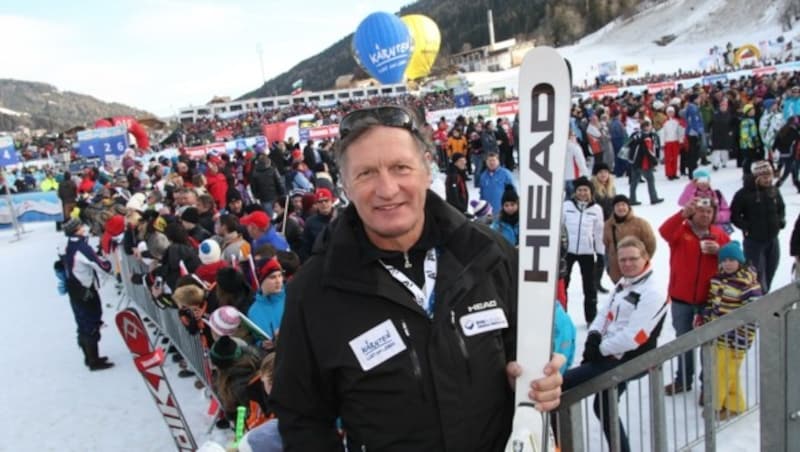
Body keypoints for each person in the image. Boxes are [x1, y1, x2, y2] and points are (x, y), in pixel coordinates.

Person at [271, 106, 564, 451]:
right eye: (366, 174)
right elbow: (301, 420)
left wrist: (537, 381)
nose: (387, 188)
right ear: (346, 185)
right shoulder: (315, 290)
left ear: (426, 170)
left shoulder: (488, 253)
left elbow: (526, 354)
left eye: (401, 168)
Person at [558, 236, 667, 452]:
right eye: (622, 259)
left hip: (629, 359)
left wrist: (599, 350)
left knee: (561, 387)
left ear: (645, 258)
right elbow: (604, 313)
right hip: (608, 353)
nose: (626, 264)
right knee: (604, 407)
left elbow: (635, 337)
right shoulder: (624, 282)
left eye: (632, 259)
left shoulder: (653, 292)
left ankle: (560, 445)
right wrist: (593, 336)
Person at [659, 197, 730, 396]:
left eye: (709, 212)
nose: (705, 215)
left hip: (708, 301)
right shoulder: (681, 230)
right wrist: (681, 214)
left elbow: (735, 258)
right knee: (684, 341)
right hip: (681, 298)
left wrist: (721, 252)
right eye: (701, 211)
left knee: (708, 342)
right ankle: (682, 379)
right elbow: (664, 232)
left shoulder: (719, 234)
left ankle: (706, 384)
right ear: (693, 213)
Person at [697, 240, 762, 419]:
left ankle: (715, 407)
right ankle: (735, 406)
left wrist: (741, 336)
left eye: (732, 260)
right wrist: (706, 318)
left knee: (722, 374)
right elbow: (712, 302)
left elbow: (754, 313)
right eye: (724, 260)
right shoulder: (717, 280)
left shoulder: (748, 284)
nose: (727, 264)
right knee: (728, 372)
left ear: (740, 261)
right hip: (718, 336)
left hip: (736, 339)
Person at [58, 218, 114, 370]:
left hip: (74, 289)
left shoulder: (67, 245)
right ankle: (93, 360)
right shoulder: (81, 247)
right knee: (91, 321)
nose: (84, 228)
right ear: (77, 230)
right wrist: (110, 265)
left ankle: (89, 358)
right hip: (85, 289)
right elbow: (100, 265)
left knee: (82, 322)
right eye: (80, 226)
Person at [730, 161, 786, 292]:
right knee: (757, 275)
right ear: (756, 177)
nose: (768, 179)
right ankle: (760, 300)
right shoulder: (743, 194)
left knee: (770, 270)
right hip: (754, 242)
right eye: (764, 177)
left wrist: (780, 220)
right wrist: (747, 227)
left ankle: (766, 295)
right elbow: (734, 215)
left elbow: (781, 208)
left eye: (769, 176)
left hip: (772, 239)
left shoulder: (774, 190)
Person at [562, 176, 605, 324]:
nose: (582, 193)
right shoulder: (566, 206)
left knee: (589, 287)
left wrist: (600, 253)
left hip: (587, 252)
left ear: (591, 192)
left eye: (585, 190)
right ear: (575, 192)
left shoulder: (596, 209)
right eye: (579, 190)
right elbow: (559, 228)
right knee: (563, 284)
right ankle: (562, 316)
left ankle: (591, 318)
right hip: (568, 252)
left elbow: (599, 232)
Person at [603, 195, 656, 284]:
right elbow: (606, 244)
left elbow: (651, 245)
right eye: (617, 205)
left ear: (628, 207)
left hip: (637, 268)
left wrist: (641, 260)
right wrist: (609, 266)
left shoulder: (641, 223)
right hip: (616, 268)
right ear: (613, 208)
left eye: (623, 205)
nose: (621, 208)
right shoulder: (608, 224)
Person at [678, 169, 733, 233]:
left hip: (717, 231)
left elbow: (727, 211)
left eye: (705, 180)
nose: (703, 183)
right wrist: (690, 186)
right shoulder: (692, 195)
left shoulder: (717, 194)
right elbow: (681, 202)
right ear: (695, 182)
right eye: (700, 181)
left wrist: (716, 217)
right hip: (697, 231)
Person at [248, 257, 285, 349]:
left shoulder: (291, 297)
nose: (278, 281)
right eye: (273, 277)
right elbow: (254, 340)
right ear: (262, 280)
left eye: (280, 275)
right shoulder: (253, 311)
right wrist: (261, 344)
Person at [626, 119, 664, 206]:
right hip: (644, 163)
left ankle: (632, 199)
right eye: (650, 126)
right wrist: (654, 161)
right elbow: (649, 151)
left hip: (634, 162)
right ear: (646, 127)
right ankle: (653, 198)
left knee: (634, 182)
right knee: (650, 180)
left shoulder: (635, 135)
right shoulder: (647, 137)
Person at [298, 188, 336, 262]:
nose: (323, 204)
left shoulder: (341, 217)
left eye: (326, 200)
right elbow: (305, 247)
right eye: (320, 201)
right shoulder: (310, 222)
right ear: (316, 204)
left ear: (331, 201)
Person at [707, 98, 738, 171]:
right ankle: (715, 164)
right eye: (722, 106)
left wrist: (732, 131)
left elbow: (734, 125)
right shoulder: (715, 114)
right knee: (716, 151)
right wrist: (709, 131)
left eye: (725, 106)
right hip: (716, 135)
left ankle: (724, 162)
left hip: (726, 135)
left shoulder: (730, 115)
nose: (723, 107)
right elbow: (710, 124)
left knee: (725, 150)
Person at [660, 105, 685, 179]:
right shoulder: (665, 122)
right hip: (667, 142)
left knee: (675, 158)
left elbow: (680, 132)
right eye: (669, 112)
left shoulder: (677, 121)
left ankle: (674, 173)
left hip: (675, 141)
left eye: (672, 112)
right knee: (668, 159)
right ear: (667, 113)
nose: (671, 113)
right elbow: (662, 133)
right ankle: (669, 173)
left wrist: (681, 140)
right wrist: (662, 143)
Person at [739, 104, 762, 175]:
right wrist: (751, 140)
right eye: (752, 110)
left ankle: (748, 172)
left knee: (750, 158)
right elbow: (744, 134)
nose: (753, 111)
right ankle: (746, 173)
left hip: (752, 143)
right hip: (747, 144)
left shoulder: (752, 119)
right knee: (748, 159)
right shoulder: (745, 121)